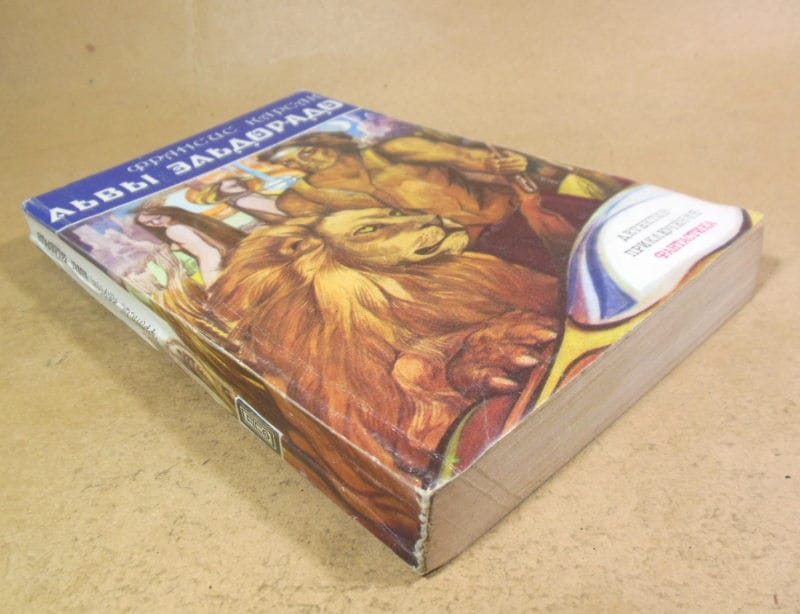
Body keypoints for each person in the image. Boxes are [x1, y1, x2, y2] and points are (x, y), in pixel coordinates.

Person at [134, 201, 246, 286]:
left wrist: (212, 282)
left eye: (158, 217)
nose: (155, 222)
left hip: (222, 264)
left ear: (166, 212)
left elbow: (209, 253)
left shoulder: (174, 230)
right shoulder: (188, 222)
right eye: (148, 222)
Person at [187, 175, 288, 223]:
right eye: (220, 183)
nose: (239, 183)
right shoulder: (244, 200)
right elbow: (284, 210)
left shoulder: (245, 195)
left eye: (238, 183)